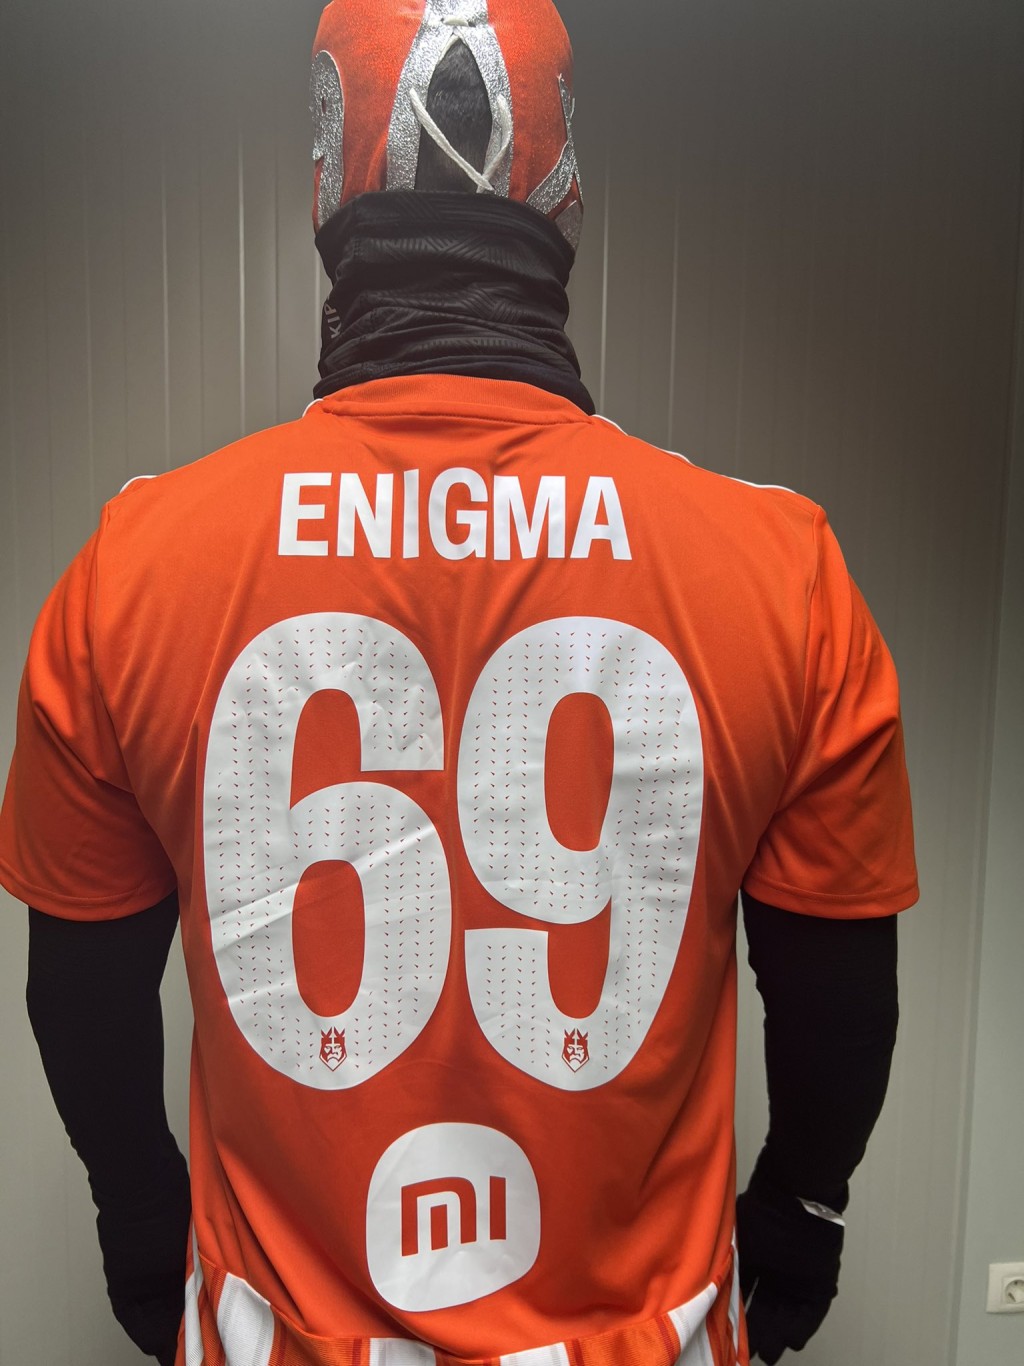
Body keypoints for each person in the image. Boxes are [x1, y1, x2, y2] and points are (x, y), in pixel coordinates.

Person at [0, 2, 917, 1363]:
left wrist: (139, 1224)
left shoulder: (135, 565)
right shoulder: (782, 571)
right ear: (566, 193)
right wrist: (801, 1218)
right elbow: (839, 994)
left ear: (327, 187)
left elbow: (79, 988)